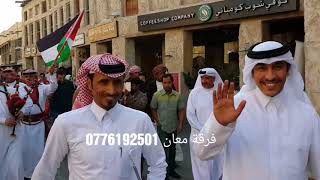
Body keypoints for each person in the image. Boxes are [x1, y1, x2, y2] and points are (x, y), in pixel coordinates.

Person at [195, 41, 320, 180]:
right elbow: (201, 152)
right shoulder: (234, 107)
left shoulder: (306, 114)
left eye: (277, 67)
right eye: (262, 68)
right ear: (252, 72)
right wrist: (219, 125)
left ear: (288, 69)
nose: (270, 76)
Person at [32, 53, 167, 180]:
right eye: (104, 82)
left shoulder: (140, 121)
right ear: (90, 84)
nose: (112, 90)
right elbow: (45, 170)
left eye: (117, 82)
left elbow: (158, 164)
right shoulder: (66, 123)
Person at [20, 68, 58, 180]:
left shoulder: (42, 88)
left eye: (32, 75)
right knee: (25, 151)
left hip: (38, 126)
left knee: (38, 151)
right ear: (23, 77)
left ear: (36, 76)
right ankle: (25, 174)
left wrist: (52, 75)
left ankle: (38, 174)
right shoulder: (19, 88)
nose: (30, 77)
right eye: (27, 75)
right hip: (24, 126)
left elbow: (53, 87)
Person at [187, 68, 223, 180]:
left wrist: (214, 130)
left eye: (207, 78)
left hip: (216, 135)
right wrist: (203, 130)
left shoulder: (220, 93)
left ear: (214, 78)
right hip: (199, 136)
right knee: (201, 166)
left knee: (216, 164)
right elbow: (190, 115)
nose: (204, 81)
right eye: (202, 78)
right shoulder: (194, 94)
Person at [151, 73, 186, 179]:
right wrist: (157, 120)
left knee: (172, 150)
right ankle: (164, 173)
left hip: (173, 127)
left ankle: (171, 170)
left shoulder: (177, 95)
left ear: (172, 82)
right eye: (164, 83)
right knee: (164, 151)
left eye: (169, 82)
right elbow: (153, 108)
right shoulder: (157, 95)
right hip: (162, 128)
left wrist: (180, 124)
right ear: (162, 84)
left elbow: (181, 110)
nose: (167, 85)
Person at [0, 78, 32, 180]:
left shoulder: (23, 87)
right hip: (1, 131)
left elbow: (29, 102)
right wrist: (3, 121)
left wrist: (23, 112)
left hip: (17, 129)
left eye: (12, 71)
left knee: (16, 161)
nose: (9, 74)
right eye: (5, 71)